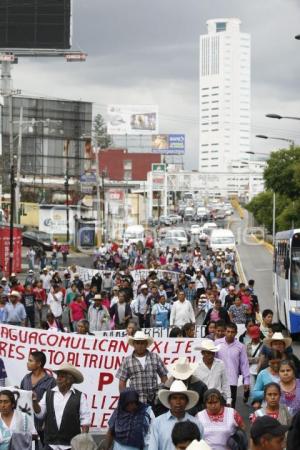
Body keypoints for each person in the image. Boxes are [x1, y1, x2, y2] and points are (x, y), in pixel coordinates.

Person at [33, 363, 90, 449]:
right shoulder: (48, 394)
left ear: (70, 380)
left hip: (71, 446)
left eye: (62, 376)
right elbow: (40, 414)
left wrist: (83, 443)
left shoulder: (80, 396)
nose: (58, 378)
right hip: (50, 445)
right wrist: (34, 401)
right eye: (58, 376)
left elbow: (85, 421)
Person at [116, 331, 168, 409]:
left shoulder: (155, 357)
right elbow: (122, 383)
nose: (140, 346)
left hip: (154, 400)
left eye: (142, 343)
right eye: (137, 343)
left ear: (146, 344)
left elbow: (164, 377)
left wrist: (160, 392)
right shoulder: (127, 360)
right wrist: (127, 400)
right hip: (136, 402)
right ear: (134, 344)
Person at [149, 380, 203, 450]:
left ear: (187, 401)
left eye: (182, 398)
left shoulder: (196, 424)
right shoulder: (157, 423)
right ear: (169, 401)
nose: (178, 402)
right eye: (174, 398)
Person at [20, 351, 56, 444]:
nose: (27, 363)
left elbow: (53, 404)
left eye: (30, 360)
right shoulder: (26, 378)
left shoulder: (51, 381)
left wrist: (46, 423)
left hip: (43, 427)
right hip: (26, 425)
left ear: (39, 363)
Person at [215, 322, 250, 408]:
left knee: (230, 407)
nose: (230, 334)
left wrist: (246, 381)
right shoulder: (216, 343)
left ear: (236, 333)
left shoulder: (240, 346)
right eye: (228, 331)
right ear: (225, 332)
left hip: (232, 381)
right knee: (217, 406)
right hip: (217, 380)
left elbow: (244, 364)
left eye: (232, 332)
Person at [194, 340, 231, 406]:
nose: (210, 356)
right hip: (202, 401)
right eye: (208, 353)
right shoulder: (196, 366)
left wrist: (228, 399)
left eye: (212, 353)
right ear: (202, 353)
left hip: (218, 398)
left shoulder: (220, 364)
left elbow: (225, 382)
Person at [246, 325, 264, 389]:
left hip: (261, 371)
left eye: (256, 336)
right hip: (250, 371)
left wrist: (252, 359)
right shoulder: (248, 345)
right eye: (253, 337)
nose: (255, 338)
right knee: (253, 391)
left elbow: (264, 359)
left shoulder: (263, 345)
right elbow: (246, 359)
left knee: (261, 389)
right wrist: (258, 359)